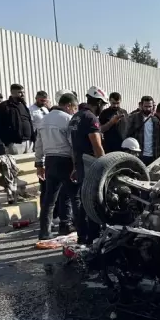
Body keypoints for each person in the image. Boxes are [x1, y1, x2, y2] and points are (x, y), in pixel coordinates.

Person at [35, 92, 82, 241]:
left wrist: (39, 164)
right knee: (74, 197)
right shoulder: (68, 120)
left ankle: (44, 232)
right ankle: (76, 229)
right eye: (74, 108)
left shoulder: (43, 120)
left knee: (49, 199)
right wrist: (75, 166)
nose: (75, 112)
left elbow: (39, 145)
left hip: (49, 161)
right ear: (68, 106)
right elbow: (73, 144)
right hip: (65, 160)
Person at [69, 86, 107, 244]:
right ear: (97, 102)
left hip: (79, 163)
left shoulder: (76, 116)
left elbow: (73, 145)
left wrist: (74, 167)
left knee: (83, 202)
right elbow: (97, 146)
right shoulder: (91, 118)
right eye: (102, 105)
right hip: (91, 165)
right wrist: (106, 167)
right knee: (93, 202)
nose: (102, 108)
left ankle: (82, 236)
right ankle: (93, 238)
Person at [0, 84, 34, 156]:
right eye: (20, 92)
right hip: (15, 144)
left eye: (23, 92)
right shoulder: (4, 106)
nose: (23, 95)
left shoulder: (23, 105)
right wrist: (7, 142)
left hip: (28, 142)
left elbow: (29, 121)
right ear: (12, 93)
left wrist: (33, 138)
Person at [126, 98, 160, 165]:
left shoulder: (156, 120)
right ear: (141, 106)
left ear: (153, 106)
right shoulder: (133, 118)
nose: (148, 109)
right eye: (146, 106)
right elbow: (126, 135)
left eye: (150, 106)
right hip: (138, 155)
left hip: (154, 155)